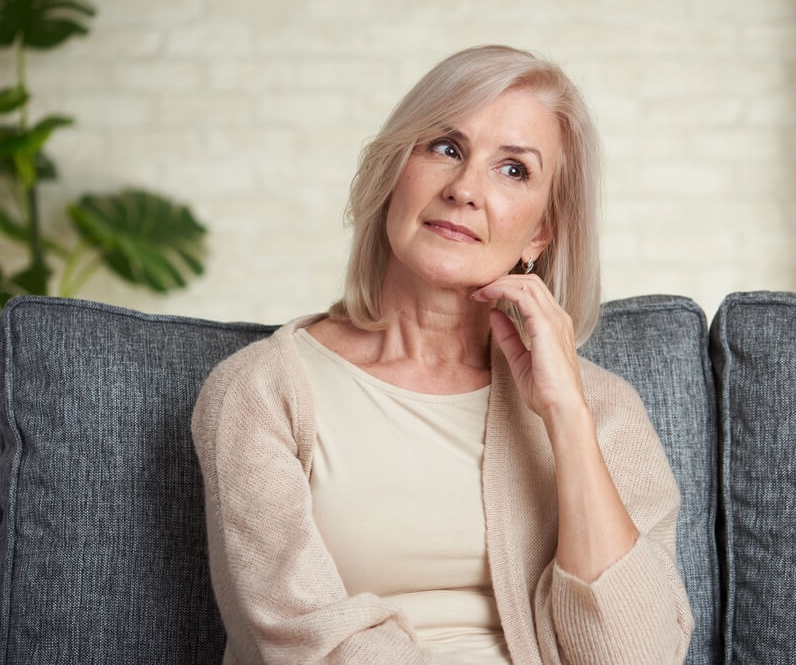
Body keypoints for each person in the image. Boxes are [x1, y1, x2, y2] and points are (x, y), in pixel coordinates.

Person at [192, 44, 693, 664]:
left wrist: (567, 417)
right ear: (395, 172)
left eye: (514, 170)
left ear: (540, 231)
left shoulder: (602, 409)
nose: (465, 189)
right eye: (446, 148)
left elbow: (639, 656)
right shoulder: (259, 390)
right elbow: (299, 642)